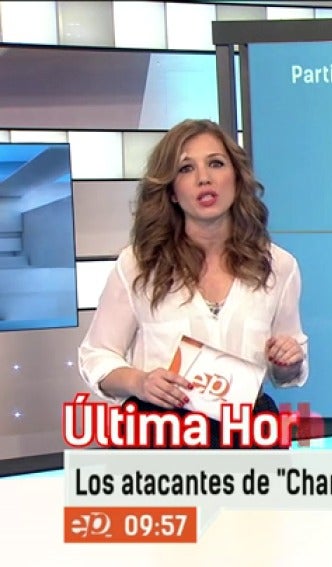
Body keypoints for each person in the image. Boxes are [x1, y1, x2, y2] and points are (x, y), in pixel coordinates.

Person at [78, 118, 308, 447]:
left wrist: (288, 360)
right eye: (186, 168)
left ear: (236, 178)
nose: (204, 178)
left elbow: (286, 373)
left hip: (249, 431)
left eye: (216, 163)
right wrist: (140, 382)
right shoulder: (138, 264)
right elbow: (97, 355)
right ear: (172, 191)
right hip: (158, 432)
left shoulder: (278, 266)